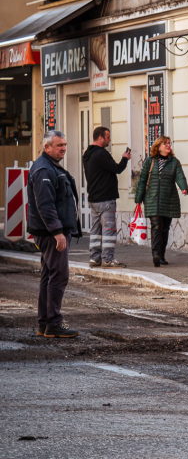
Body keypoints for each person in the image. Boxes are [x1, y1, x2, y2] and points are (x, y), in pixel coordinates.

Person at [26, 130, 80, 338]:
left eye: (65, 145)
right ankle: (53, 323)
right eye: (60, 145)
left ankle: (45, 324)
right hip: (50, 233)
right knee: (59, 275)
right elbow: (45, 205)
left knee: (49, 275)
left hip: (50, 231)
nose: (64, 148)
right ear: (47, 147)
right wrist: (57, 232)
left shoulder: (50, 166)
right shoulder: (43, 170)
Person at [134, 136, 188, 267]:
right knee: (156, 227)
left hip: (169, 200)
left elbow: (180, 176)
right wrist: (138, 199)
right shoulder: (150, 161)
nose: (168, 145)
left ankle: (162, 255)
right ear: (158, 147)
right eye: (165, 144)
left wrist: (184, 188)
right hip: (152, 199)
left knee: (165, 229)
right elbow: (142, 180)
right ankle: (156, 255)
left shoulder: (174, 162)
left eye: (169, 143)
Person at [82, 126, 131, 268]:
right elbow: (117, 169)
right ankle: (108, 259)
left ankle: (94, 258)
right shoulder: (101, 154)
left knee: (95, 230)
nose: (110, 140)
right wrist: (125, 158)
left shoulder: (87, 154)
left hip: (93, 198)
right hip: (105, 198)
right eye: (108, 137)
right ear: (101, 138)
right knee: (109, 230)